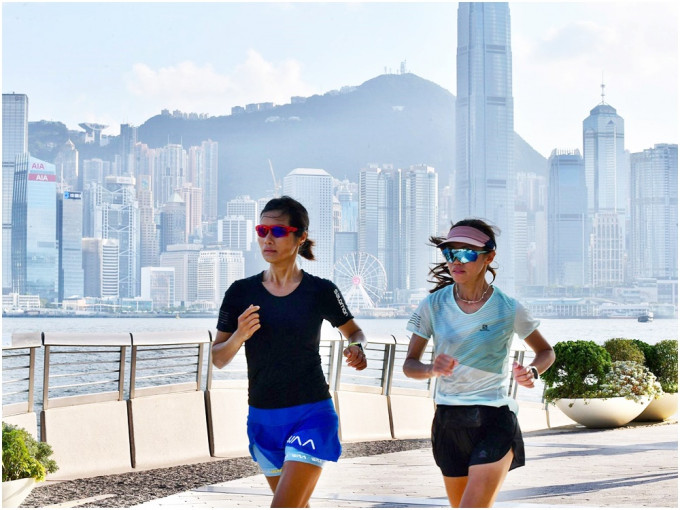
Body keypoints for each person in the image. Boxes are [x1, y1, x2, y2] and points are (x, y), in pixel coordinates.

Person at [212, 196, 368, 508]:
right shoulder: (240, 292)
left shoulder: (321, 290)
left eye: (278, 231)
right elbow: (218, 357)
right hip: (262, 417)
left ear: (300, 237)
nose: (267, 238)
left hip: (311, 413)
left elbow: (353, 331)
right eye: (262, 230)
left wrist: (355, 347)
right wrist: (240, 335)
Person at [403, 219, 555, 508]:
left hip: (494, 418)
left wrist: (532, 371)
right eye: (450, 253)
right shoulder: (433, 305)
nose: (456, 261)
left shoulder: (509, 308)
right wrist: (430, 369)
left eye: (467, 253)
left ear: (489, 257)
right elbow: (410, 364)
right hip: (448, 422)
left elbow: (546, 351)